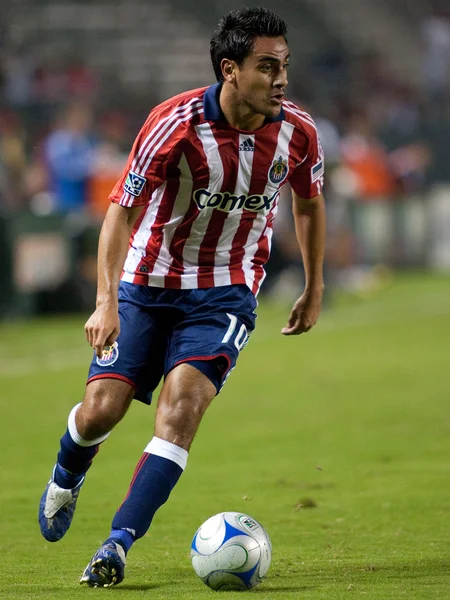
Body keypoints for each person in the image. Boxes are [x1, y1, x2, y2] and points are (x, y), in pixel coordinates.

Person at [38, 6, 326, 588]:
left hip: (225, 292)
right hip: (146, 285)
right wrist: (106, 300)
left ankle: (116, 545)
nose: (281, 79)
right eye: (267, 67)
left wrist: (315, 284)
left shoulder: (298, 131)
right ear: (231, 69)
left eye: (285, 66)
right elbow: (120, 214)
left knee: (182, 410)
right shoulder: (173, 124)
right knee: (101, 413)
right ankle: (70, 469)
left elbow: (309, 203)